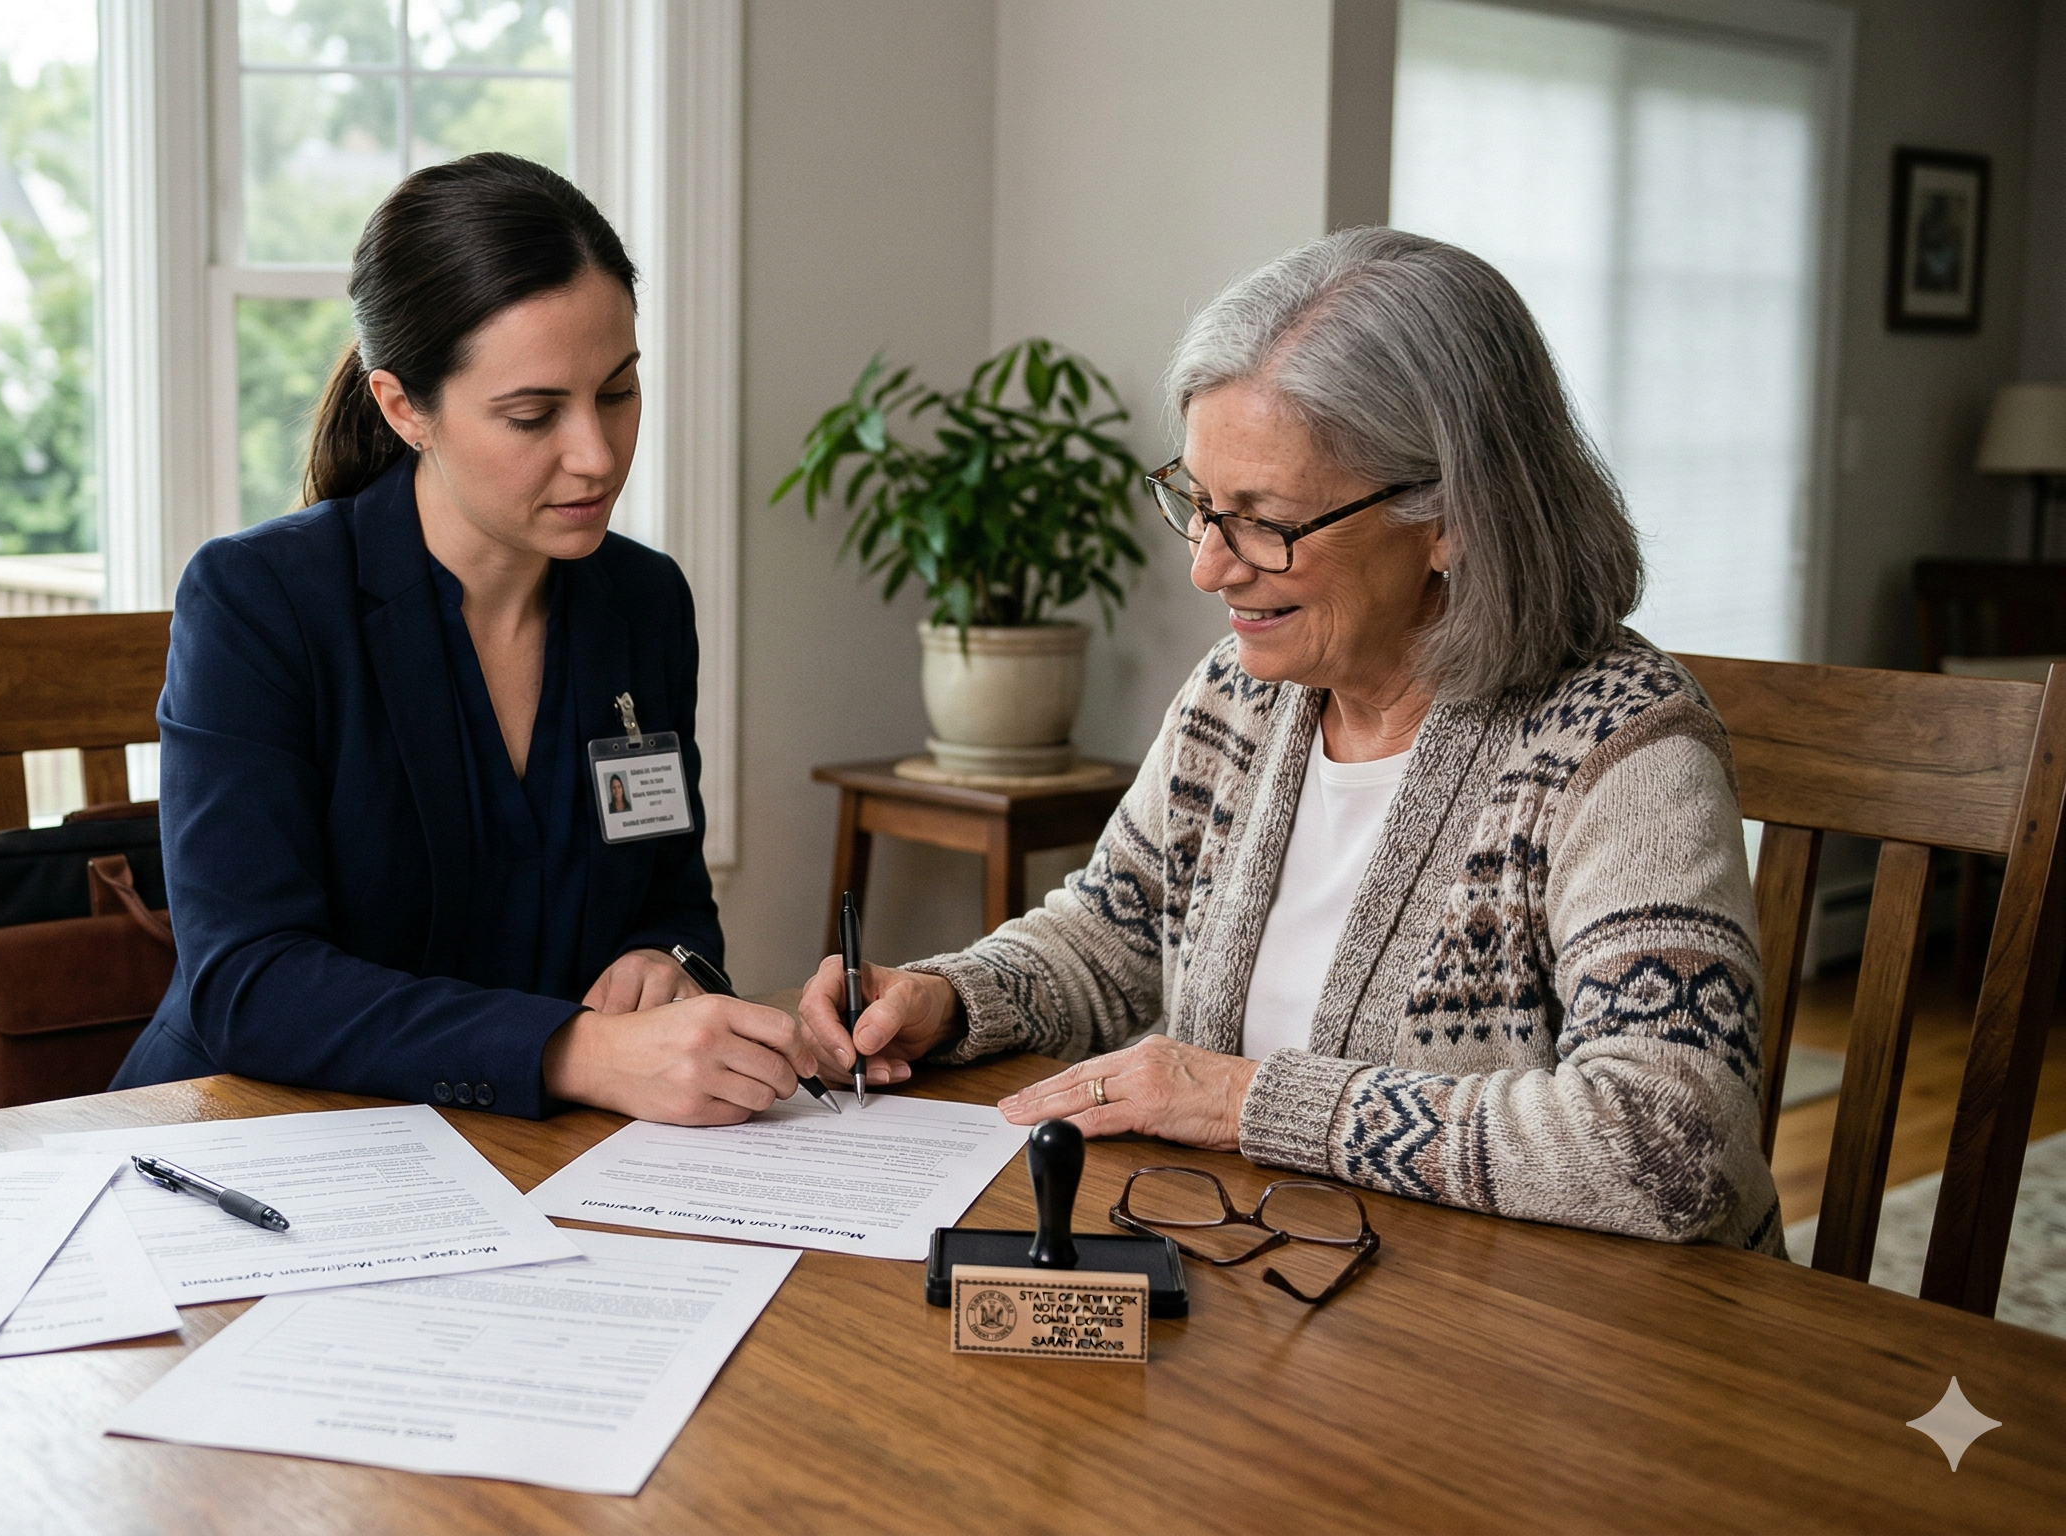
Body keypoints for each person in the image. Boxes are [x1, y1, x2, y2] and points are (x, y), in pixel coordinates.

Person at [799, 227, 1782, 1248]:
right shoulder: (1243, 694)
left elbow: (1673, 1147)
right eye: (1198, 503)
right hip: (1284, 1284)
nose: (1207, 569)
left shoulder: (1621, 749)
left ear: (1449, 516)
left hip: (1559, 1346)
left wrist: (1240, 1103)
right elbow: (1114, 931)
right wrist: (947, 999)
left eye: (1264, 521)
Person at [114, 153, 842, 1126]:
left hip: (523, 1151)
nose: (595, 455)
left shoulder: (643, 602)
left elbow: (665, 890)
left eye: (617, 392)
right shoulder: (259, 600)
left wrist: (658, 963)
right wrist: (571, 1049)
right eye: (532, 414)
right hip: (258, 1134)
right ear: (403, 406)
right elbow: (249, 982)